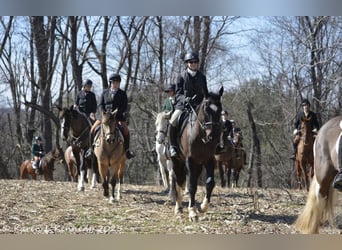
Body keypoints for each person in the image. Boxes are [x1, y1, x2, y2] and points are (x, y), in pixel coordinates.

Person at [168, 51, 209, 158]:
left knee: (213, 120)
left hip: (199, 106)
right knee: (173, 120)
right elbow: (177, 94)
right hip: (183, 106)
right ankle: (172, 146)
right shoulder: (181, 76)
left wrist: (205, 102)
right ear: (187, 63)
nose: (193, 64)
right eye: (191, 62)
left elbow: (206, 93)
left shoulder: (202, 77)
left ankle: (216, 145)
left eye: (195, 62)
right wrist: (185, 99)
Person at [90, 73, 135, 159]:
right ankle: (91, 151)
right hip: (105, 117)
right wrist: (103, 112)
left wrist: (116, 113)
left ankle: (127, 151)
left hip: (117, 117)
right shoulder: (104, 92)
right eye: (114, 82)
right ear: (110, 83)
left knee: (125, 130)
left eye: (117, 83)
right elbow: (100, 104)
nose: (116, 84)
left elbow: (124, 106)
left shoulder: (122, 93)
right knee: (92, 130)